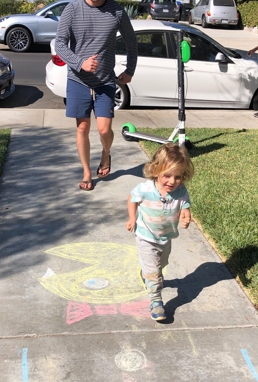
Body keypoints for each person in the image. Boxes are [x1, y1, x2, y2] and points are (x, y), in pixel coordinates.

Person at [55, 0, 138, 191]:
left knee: (104, 129)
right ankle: (86, 172)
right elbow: (59, 44)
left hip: (105, 80)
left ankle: (105, 153)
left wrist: (130, 70)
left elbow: (131, 42)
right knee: (82, 128)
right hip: (78, 80)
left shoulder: (116, 11)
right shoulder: (73, 9)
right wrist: (80, 63)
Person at [126, 144, 194, 321]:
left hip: (166, 238)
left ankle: (147, 276)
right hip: (146, 237)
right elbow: (132, 199)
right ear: (156, 170)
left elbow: (185, 206)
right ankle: (156, 302)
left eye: (178, 177)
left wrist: (186, 216)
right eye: (167, 176)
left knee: (161, 265)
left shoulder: (180, 191)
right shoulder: (145, 189)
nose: (172, 181)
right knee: (155, 273)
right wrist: (132, 219)